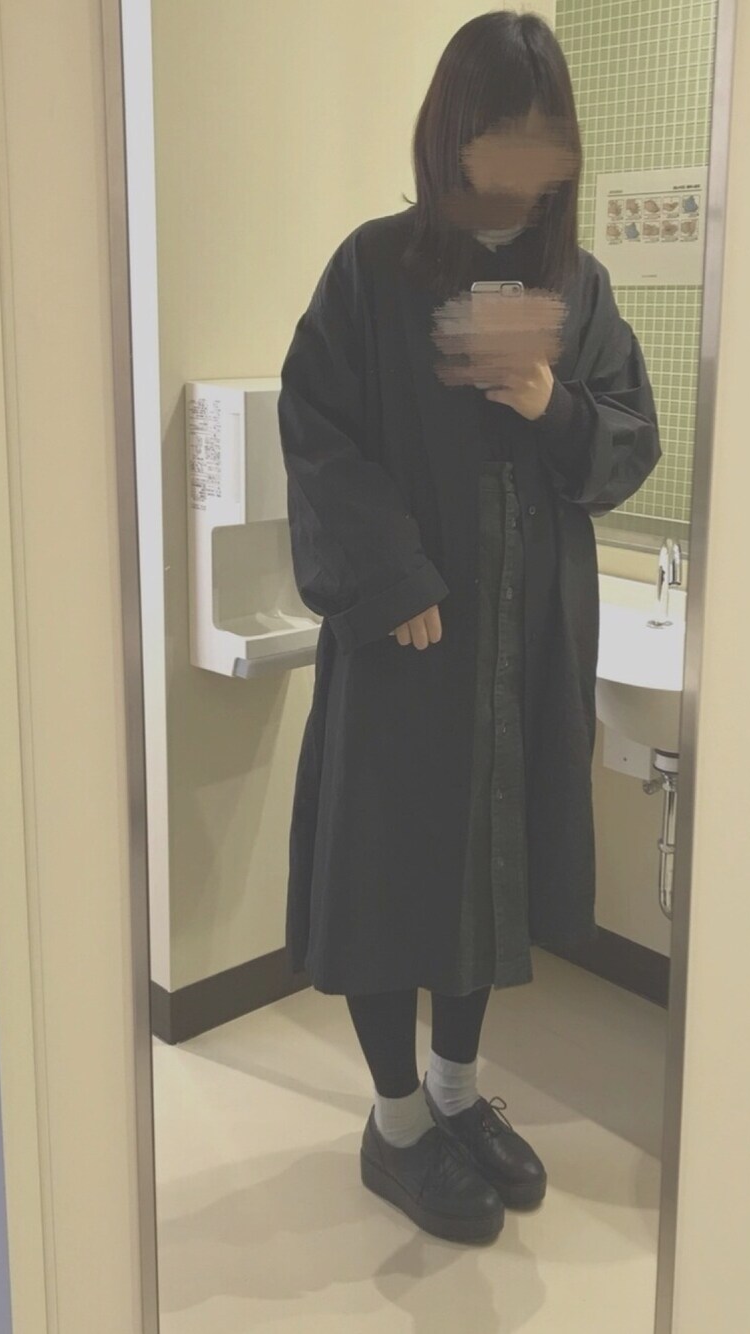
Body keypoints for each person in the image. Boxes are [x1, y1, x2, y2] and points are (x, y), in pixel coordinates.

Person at [277, 10, 661, 1245]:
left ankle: (454, 1091)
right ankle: (395, 1122)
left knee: (486, 874)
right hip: (409, 646)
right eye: (495, 136)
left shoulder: (578, 288)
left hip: (522, 649)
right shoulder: (374, 269)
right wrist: (392, 575)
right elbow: (315, 430)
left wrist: (551, 401)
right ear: (450, 135)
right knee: (392, 871)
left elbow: (626, 443)